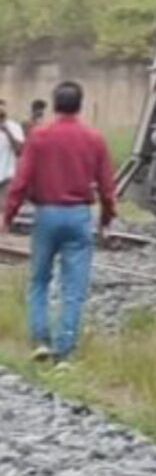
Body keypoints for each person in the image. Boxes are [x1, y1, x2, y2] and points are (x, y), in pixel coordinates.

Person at [1, 81, 116, 362]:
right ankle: (64, 352)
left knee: (39, 279)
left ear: (54, 104)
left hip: (47, 214)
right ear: (80, 104)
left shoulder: (40, 137)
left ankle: (40, 339)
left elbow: (20, 181)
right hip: (78, 215)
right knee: (73, 287)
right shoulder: (94, 138)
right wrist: (106, 218)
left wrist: (7, 216)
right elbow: (107, 187)